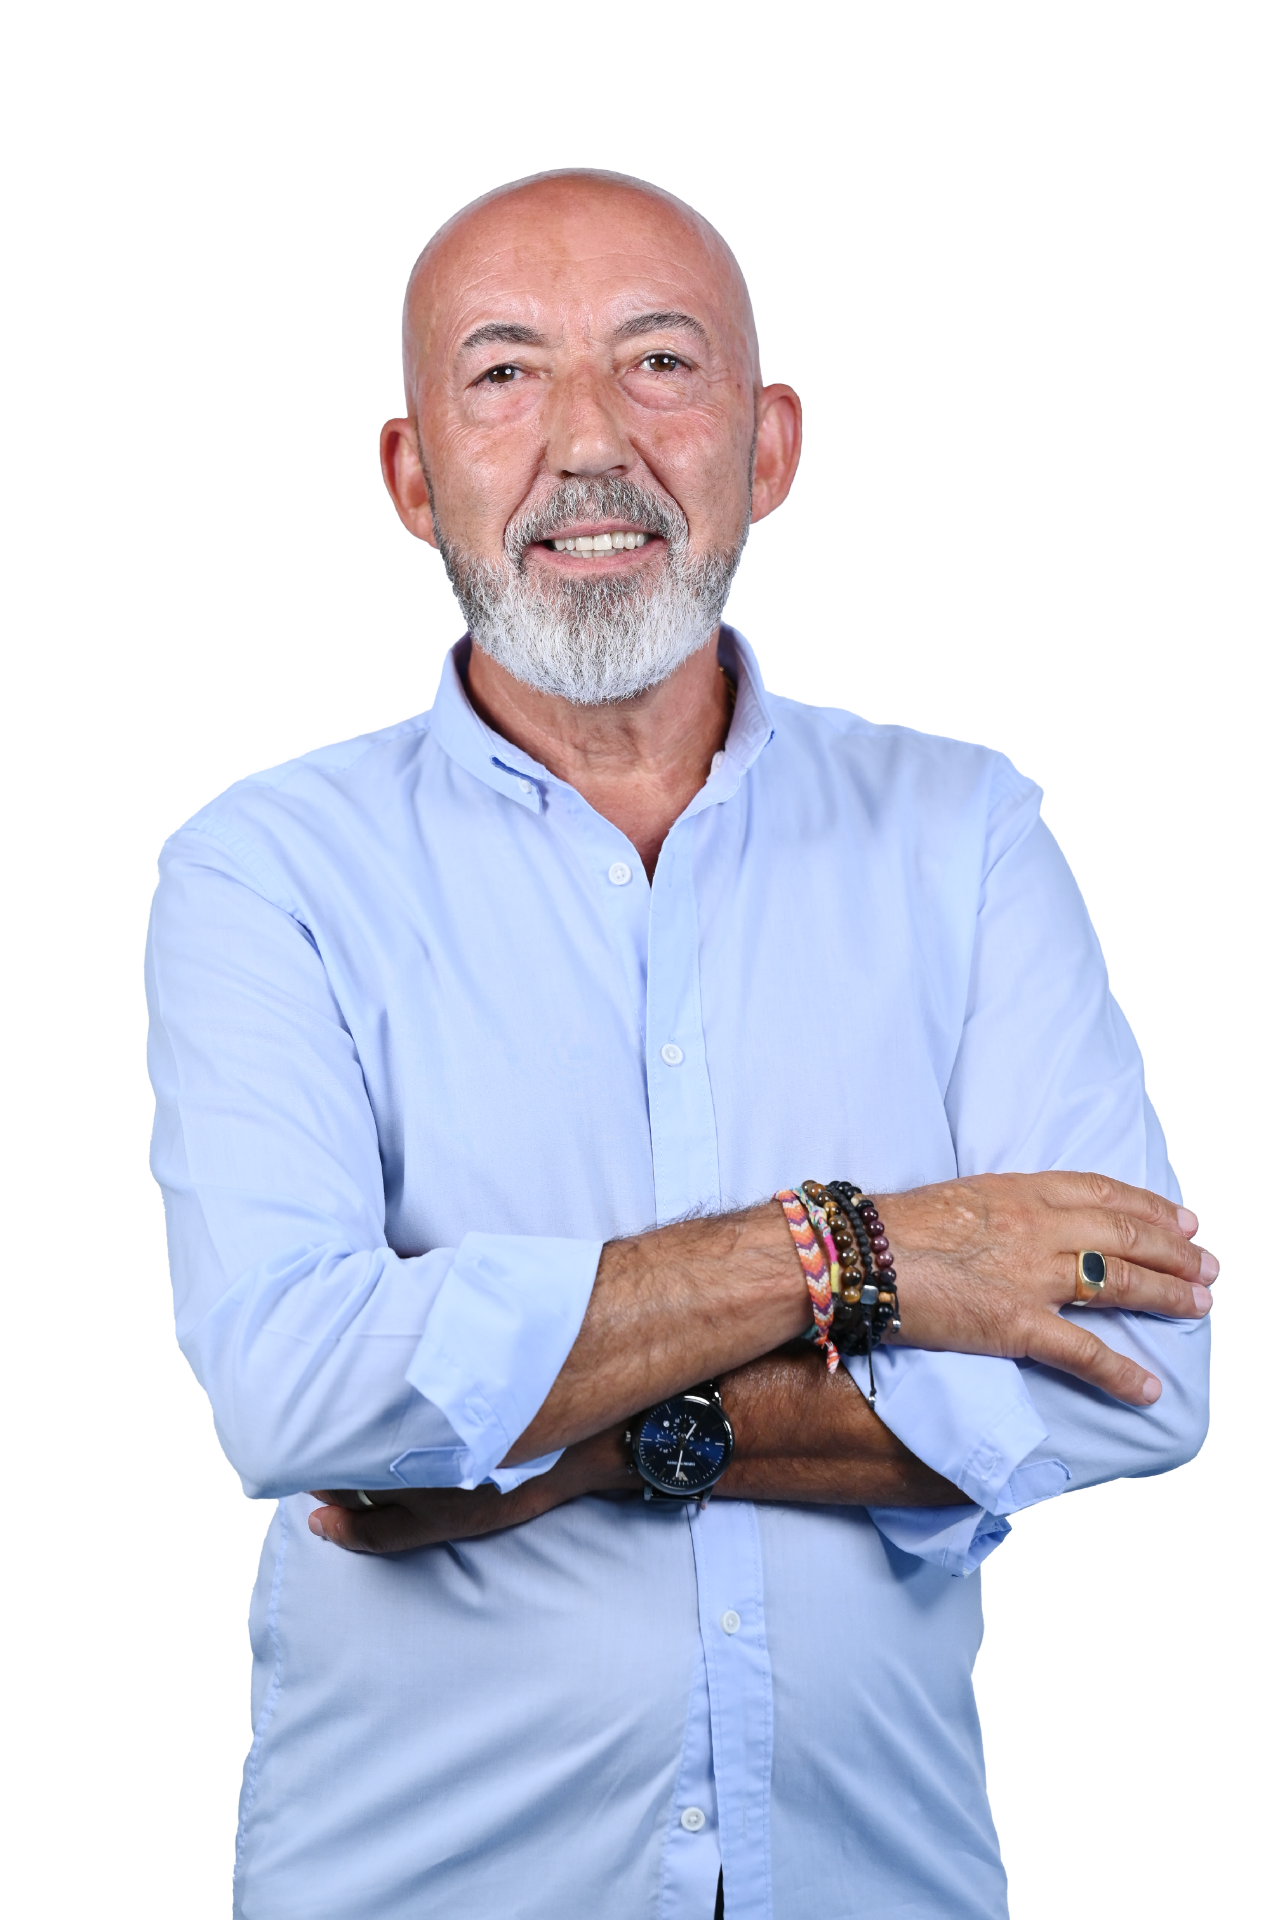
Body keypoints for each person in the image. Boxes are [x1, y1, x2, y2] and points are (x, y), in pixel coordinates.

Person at [144, 169, 1214, 1919]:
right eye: (505, 374)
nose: (590, 444)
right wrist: (872, 1251)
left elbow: (1144, 1364)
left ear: (769, 446)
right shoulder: (264, 865)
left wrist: (581, 1441)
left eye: (658, 362)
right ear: (412, 477)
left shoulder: (966, 833)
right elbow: (304, 1392)